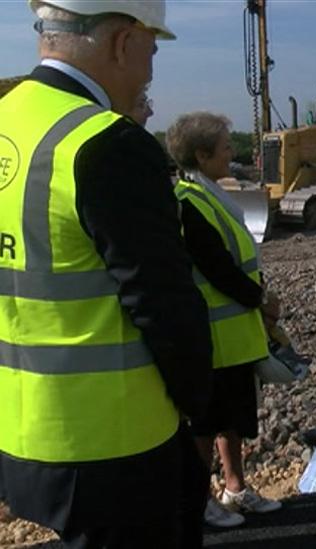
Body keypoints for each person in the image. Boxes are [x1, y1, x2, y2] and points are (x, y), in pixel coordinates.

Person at [0, 2, 212, 547]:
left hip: (21, 432)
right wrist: (202, 412)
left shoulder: (8, 121)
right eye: (151, 48)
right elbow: (165, 306)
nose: (150, 68)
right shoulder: (106, 144)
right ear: (122, 42)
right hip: (113, 446)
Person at [165, 112, 282, 528]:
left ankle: (235, 489)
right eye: (226, 147)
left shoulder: (214, 194)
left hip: (235, 335)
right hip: (213, 336)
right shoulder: (189, 203)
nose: (233, 154)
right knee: (204, 424)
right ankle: (198, 501)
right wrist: (261, 299)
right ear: (202, 155)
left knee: (230, 417)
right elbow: (217, 267)